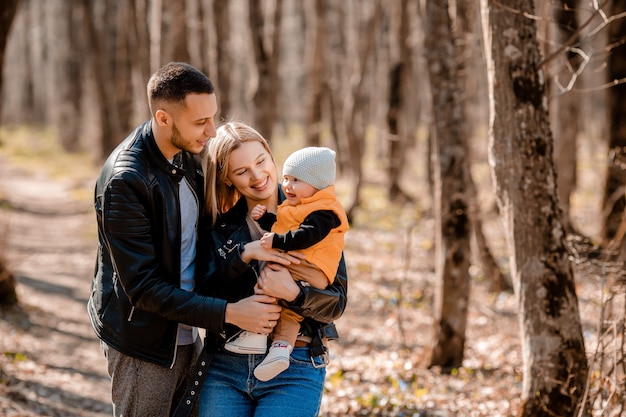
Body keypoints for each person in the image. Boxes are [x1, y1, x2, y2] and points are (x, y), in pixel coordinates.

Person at [87, 62, 283, 417]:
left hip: (190, 334)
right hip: (144, 344)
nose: (211, 131)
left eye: (212, 117)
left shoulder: (187, 157)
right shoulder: (126, 181)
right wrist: (231, 313)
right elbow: (143, 289)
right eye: (199, 122)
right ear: (164, 118)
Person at [195, 122, 348, 417]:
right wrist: (243, 256)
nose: (257, 176)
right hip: (226, 364)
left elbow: (336, 302)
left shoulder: (313, 214)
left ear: (270, 153)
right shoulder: (217, 227)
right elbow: (202, 293)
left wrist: (294, 294)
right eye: (241, 171)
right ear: (227, 179)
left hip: (297, 361)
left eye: (261, 161)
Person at [227, 146, 349, 381]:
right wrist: (265, 219)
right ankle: (280, 350)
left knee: (268, 274)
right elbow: (285, 226)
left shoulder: (325, 211)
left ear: (318, 184)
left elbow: (305, 235)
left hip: (313, 268)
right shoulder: (301, 206)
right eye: (286, 178)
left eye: (296, 180)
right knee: (289, 309)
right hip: (304, 265)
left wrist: (277, 242)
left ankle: (257, 334)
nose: (288, 186)